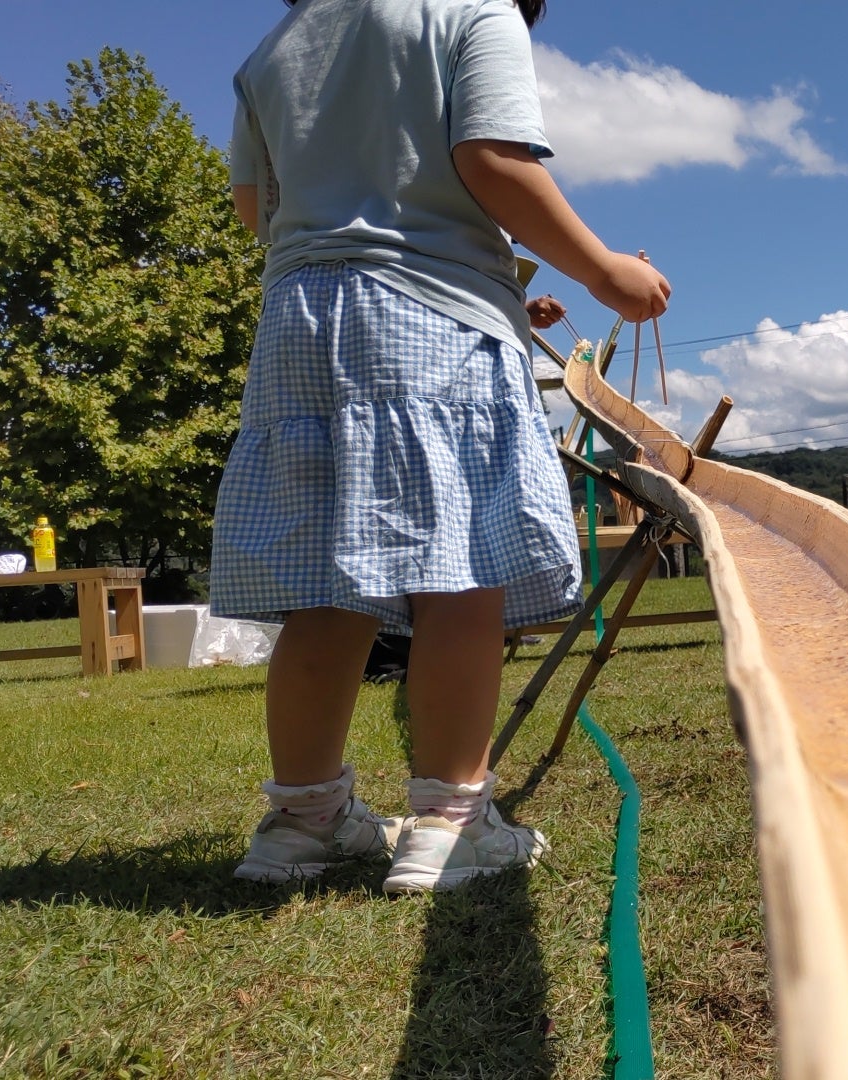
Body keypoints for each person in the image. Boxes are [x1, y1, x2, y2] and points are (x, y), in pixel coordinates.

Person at [215, 0, 669, 893]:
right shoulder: (472, 11)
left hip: (300, 322)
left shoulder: (279, 45)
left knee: (325, 580)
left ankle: (301, 822)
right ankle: (451, 823)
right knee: (458, 570)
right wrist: (604, 269)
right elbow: (491, 161)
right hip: (431, 319)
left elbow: (252, 210)